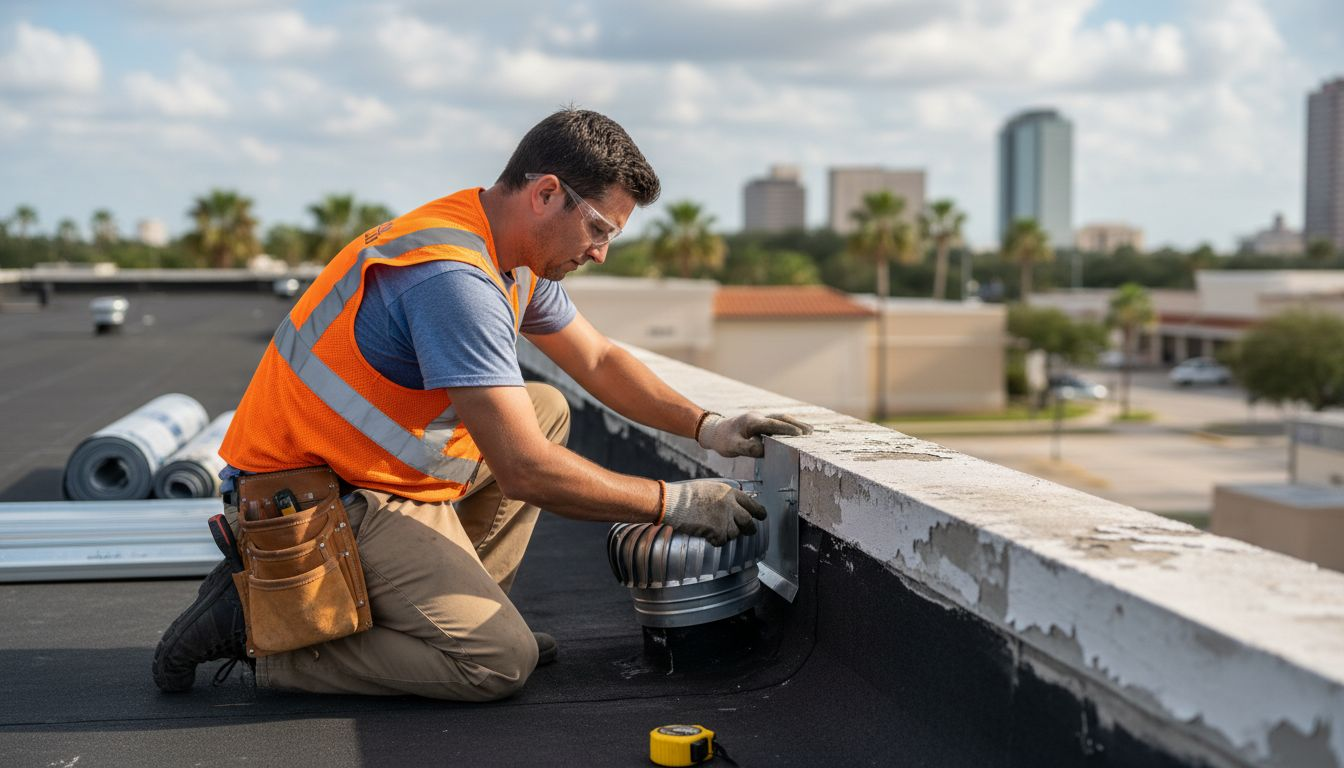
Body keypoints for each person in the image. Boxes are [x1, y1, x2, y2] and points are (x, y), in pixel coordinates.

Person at [152, 108, 812, 701]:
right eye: (597, 228)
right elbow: (524, 470)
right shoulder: (453, 279)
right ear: (546, 193)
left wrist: (707, 426)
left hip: (365, 473)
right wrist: (675, 502)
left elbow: (598, 360)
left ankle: (449, 619)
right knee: (497, 663)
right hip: (305, 500)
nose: (600, 252)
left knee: (545, 406)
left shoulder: (508, 250)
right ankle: (268, 637)